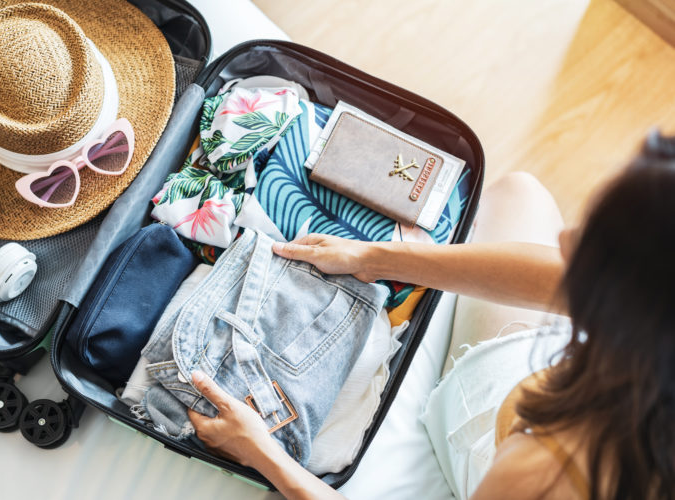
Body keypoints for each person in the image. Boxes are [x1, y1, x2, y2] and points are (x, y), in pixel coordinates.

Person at [187, 134, 675, 500]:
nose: (564, 237)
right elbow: (558, 278)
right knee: (520, 191)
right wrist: (372, 257)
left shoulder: (544, 473)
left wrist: (262, 453)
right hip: (557, 383)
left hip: (497, 437)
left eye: (587, 243)